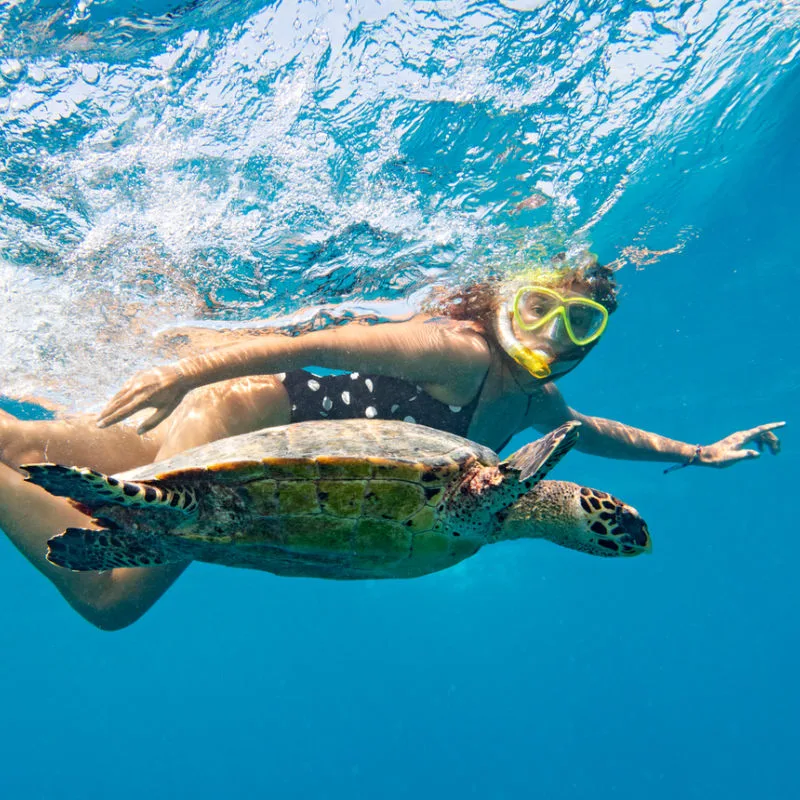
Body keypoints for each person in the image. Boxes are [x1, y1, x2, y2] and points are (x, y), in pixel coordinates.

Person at [0, 257, 783, 630]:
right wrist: (189, 371)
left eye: (581, 324)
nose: (554, 333)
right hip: (241, 422)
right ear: (509, 301)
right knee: (113, 591)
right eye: (541, 307)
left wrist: (700, 453)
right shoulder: (457, 352)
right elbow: (325, 345)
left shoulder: (532, 399)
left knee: (32, 442)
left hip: (257, 438)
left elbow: (592, 432)